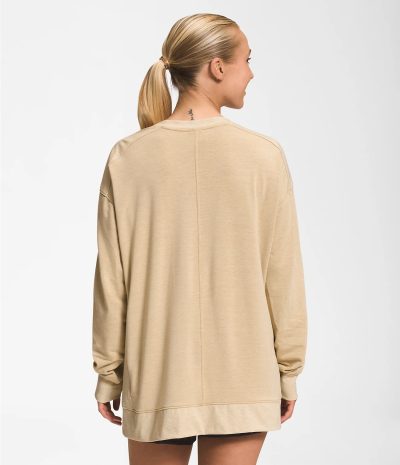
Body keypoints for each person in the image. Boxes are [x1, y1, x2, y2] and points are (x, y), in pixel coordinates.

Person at [92, 12, 308, 465]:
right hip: (244, 375)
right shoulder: (263, 157)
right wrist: (287, 372)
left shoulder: (128, 158)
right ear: (217, 66)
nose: (251, 73)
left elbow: (112, 282)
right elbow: (283, 277)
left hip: (159, 376)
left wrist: (109, 373)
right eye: (247, 60)